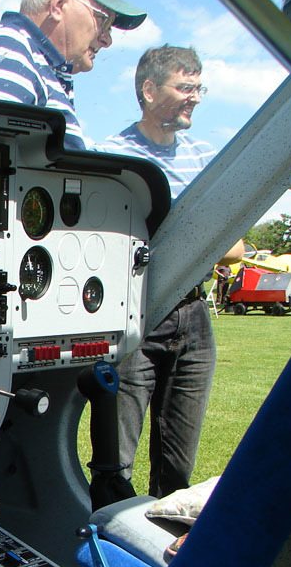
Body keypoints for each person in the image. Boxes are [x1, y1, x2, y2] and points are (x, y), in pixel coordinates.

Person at [98, 45, 245, 498]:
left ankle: (164, 551)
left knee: (179, 466)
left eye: (199, 87)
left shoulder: (205, 157)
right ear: (148, 89)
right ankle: (101, 554)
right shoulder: (111, 155)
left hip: (193, 312)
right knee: (114, 463)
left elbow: (235, 245)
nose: (195, 97)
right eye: (184, 86)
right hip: (135, 313)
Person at [0, 0, 147, 150]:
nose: (107, 40)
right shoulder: (10, 49)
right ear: (59, 4)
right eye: (103, 21)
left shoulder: (32, 60)